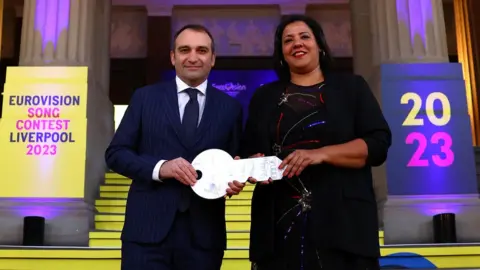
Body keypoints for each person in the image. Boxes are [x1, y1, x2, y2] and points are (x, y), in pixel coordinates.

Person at [241, 15, 392, 270]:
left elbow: (378, 144)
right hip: (277, 227)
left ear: (320, 45)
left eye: (304, 37)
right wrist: (251, 166)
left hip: (344, 226)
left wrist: (319, 154)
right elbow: (248, 151)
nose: (296, 43)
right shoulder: (263, 97)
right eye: (288, 40)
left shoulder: (351, 88)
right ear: (281, 53)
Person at [105, 24, 245, 270]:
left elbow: (232, 161)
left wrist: (233, 180)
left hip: (204, 237)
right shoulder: (144, 98)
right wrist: (161, 168)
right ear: (173, 57)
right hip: (146, 233)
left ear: (212, 59)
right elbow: (116, 154)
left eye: (202, 50)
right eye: (184, 50)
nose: (193, 57)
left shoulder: (230, 109)